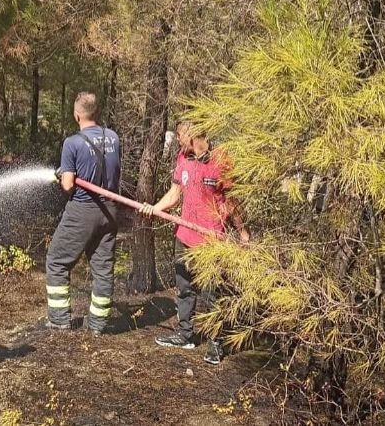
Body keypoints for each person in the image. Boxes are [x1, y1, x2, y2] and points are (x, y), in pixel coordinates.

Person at [140, 121, 249, 365]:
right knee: (185, 288)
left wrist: (243, 233)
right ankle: (185, 334)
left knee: (212, 295)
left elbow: (232, 202)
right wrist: (154, 208)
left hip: (211, 240)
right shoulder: (183, 158)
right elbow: (174, 194)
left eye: (180, 135)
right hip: (184, 236)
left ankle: (216, 343)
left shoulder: (220, 160)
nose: (178, 140)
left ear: (192, 133)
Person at [45, 92, 122, 334]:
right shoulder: (113, 137)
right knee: (102, 269)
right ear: (96, 112)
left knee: (57, 261)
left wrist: (62, 176)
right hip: (109, 210)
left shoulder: (73, 143)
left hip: (82, 209)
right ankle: (97, 325)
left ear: (77, 115)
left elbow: (68, 185)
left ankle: (59, 320)